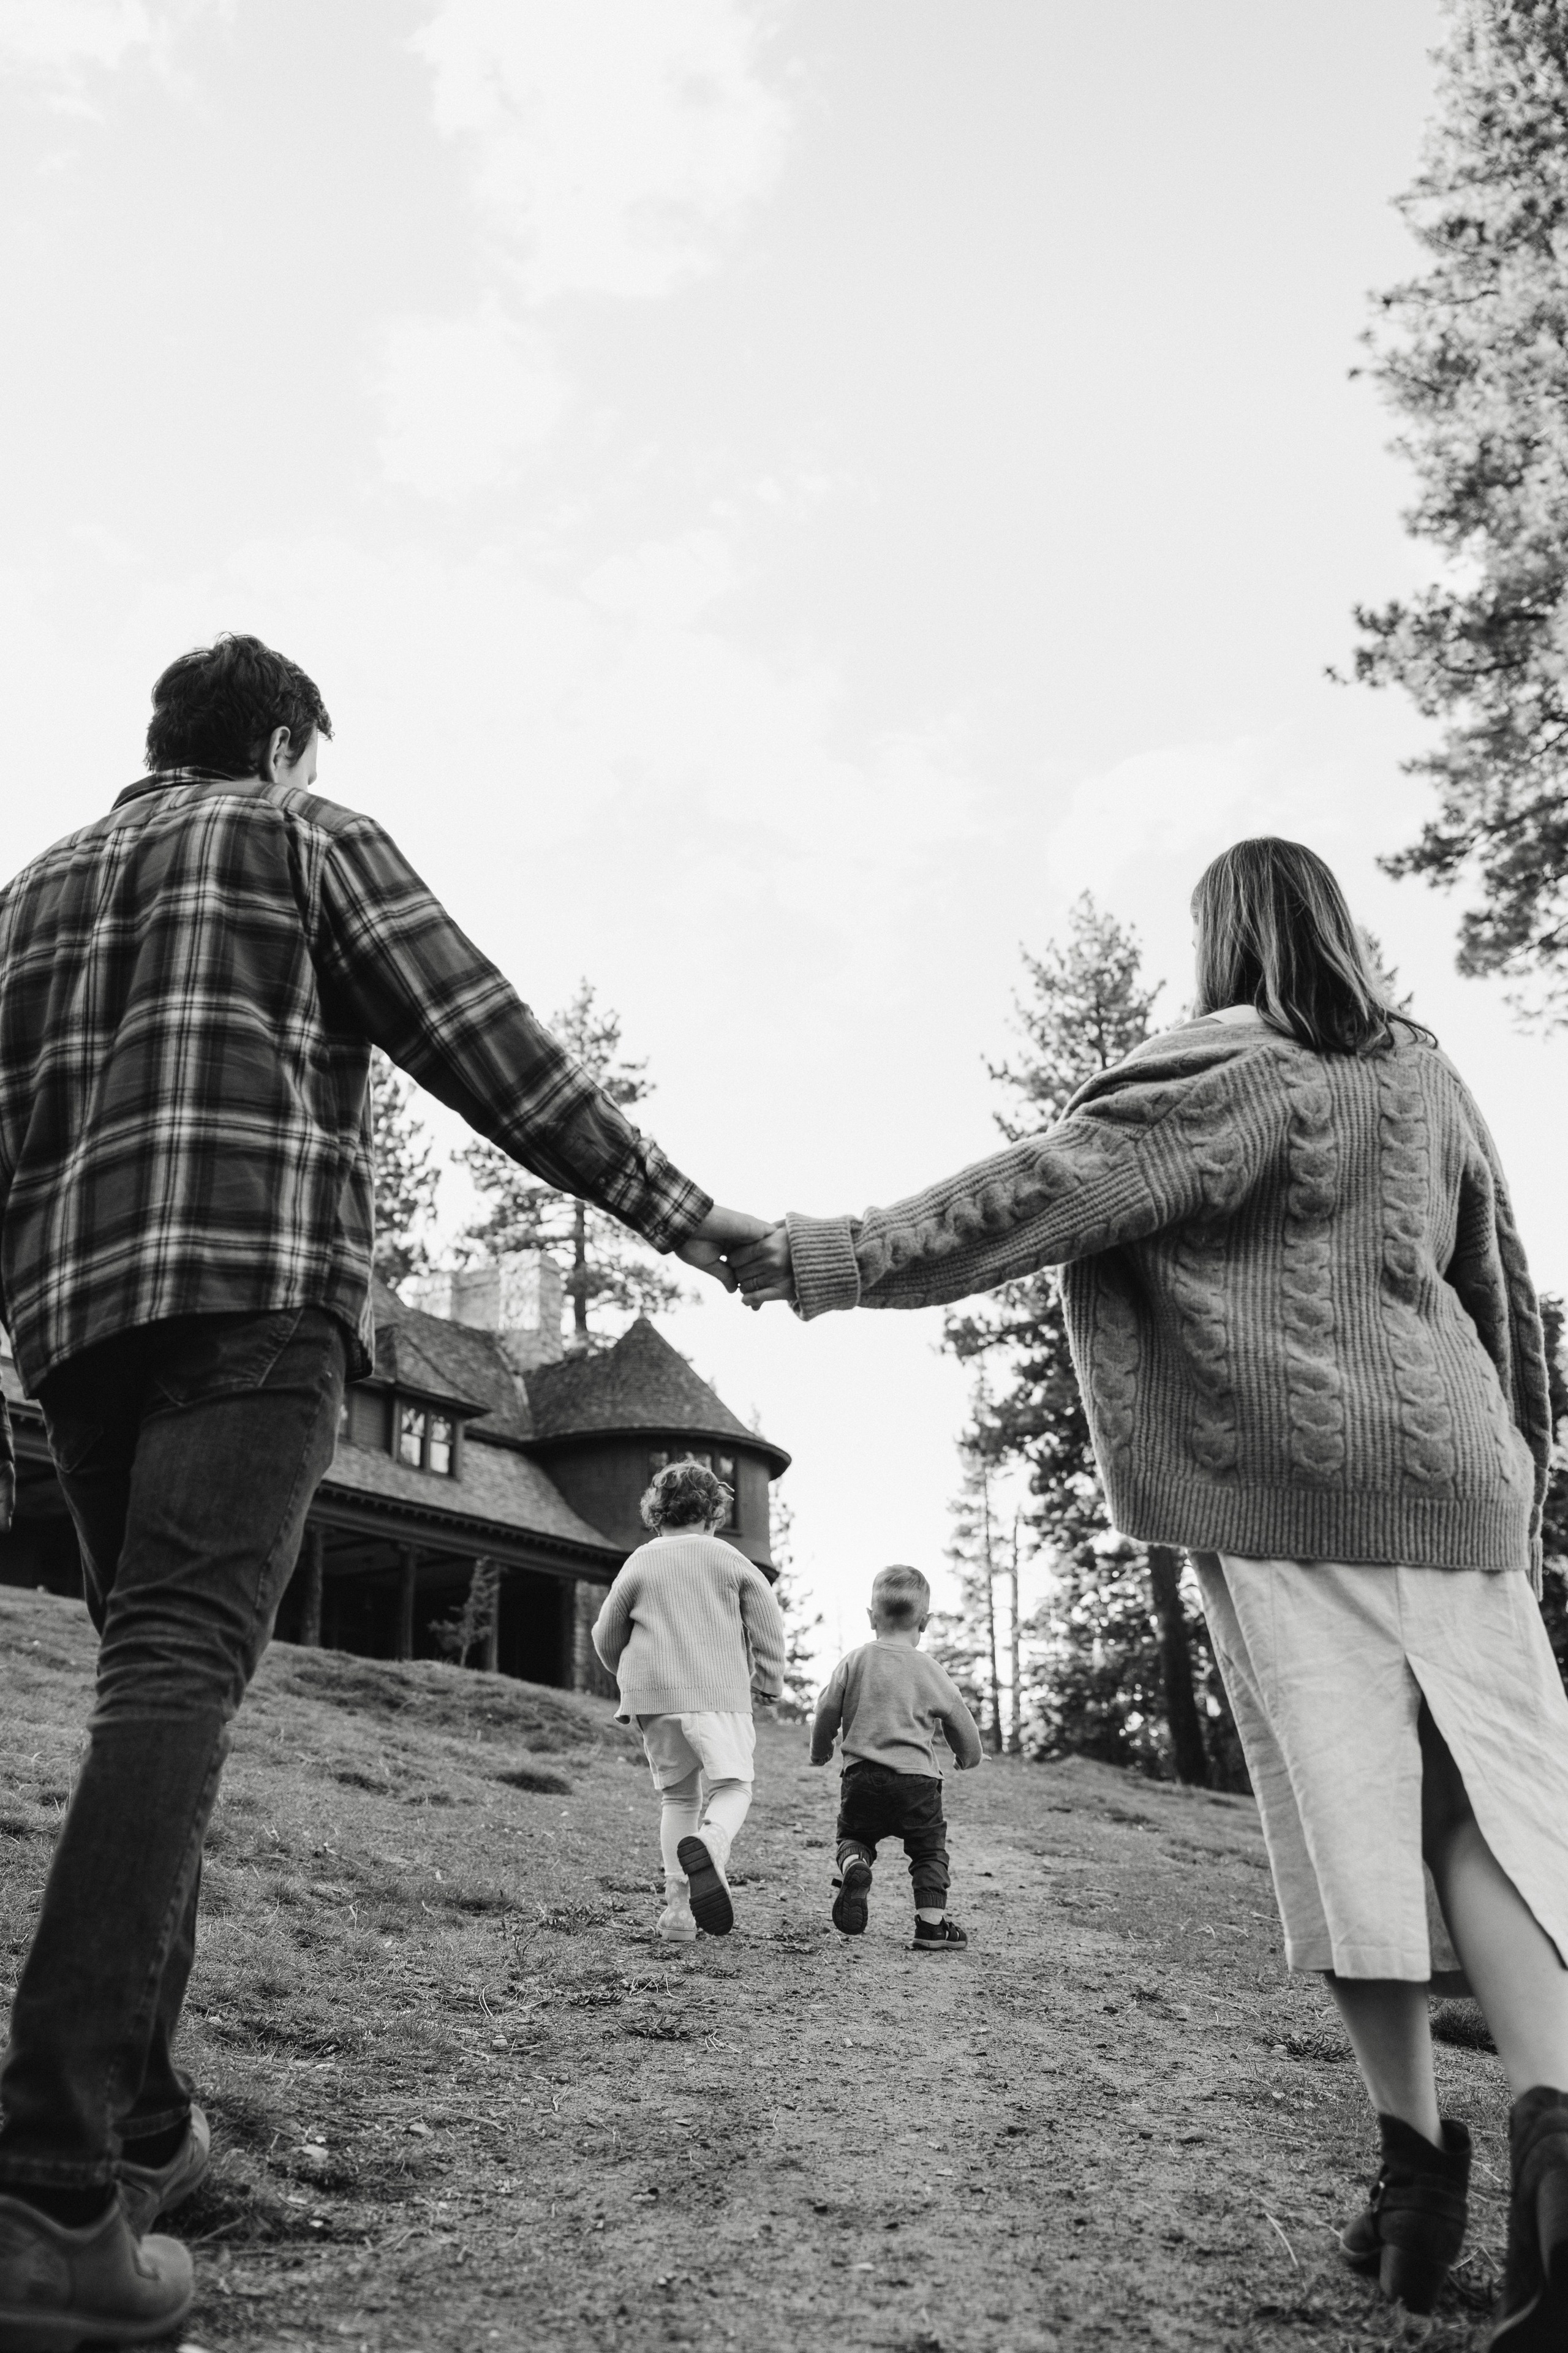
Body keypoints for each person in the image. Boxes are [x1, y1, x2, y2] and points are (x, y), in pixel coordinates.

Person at [0, 635, 767, 2351]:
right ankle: (48, 2188)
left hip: (71, 1332)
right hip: (251, 1305)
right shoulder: (307, 834)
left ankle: (136, 2131)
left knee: (152, 1681)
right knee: (177, 1679)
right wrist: (684, 1213)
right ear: (283, 741)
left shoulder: (31, 889)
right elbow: (489, 1043)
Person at [733, 836, 1568, 2343]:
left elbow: (1029, 1194)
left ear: (1220, 939)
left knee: (1351, 1821)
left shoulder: (1217, 1076)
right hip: (1465, 1486)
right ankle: (1556, 2176)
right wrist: (1518, 1457)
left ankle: (1411, 2163)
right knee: (1486, 1822)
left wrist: (824, 1256)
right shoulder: (1423, 1072)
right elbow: (1498, 1281)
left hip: (1291, 1490)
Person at [592, 1457, 786, 1939]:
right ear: (713, 1512)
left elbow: (605, 1633)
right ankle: (712, 1842)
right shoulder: (727, 1558)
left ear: (657, 1512)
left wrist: (630, 1678)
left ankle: (678, 1912)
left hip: (655, 1698)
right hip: (718, 1693)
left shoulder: (639, 1560)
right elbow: (767, 1619)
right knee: (734, 1786)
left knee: (677, 1796)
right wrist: (768, 1678)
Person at [810, 1563, 982, 1953]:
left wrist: (820, 1750)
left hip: (862, 1777)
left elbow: (826, 1711)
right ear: (925, 1622)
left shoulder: (855, 1661)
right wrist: (968, 1757)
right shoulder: (930, 1670)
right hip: (918, 1783)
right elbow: (959, 1717)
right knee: (928, 1851)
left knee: (855, 1836)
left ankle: (856, 1865)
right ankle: (931, 1926)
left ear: (872, 1618)